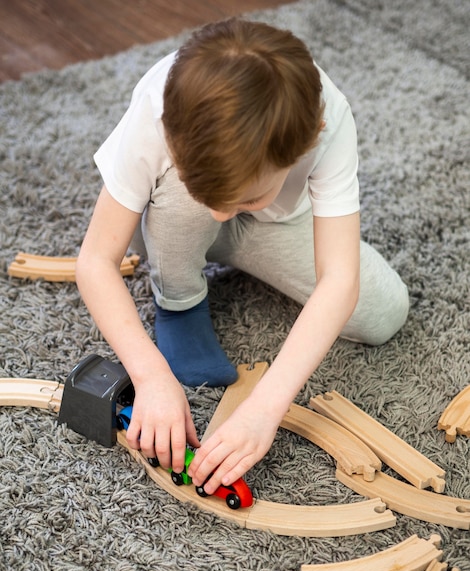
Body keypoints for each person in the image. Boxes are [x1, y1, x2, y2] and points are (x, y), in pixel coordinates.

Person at [76, 18, 409, 496]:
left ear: (305, 143)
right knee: (190, 205)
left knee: (383, 311)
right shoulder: (159, 106)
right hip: (170, 219)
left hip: (277, 223)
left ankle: (231, 216)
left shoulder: (327, 119)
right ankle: (181, 302)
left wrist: (264, 406)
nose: (217, 213)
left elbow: (340, 279)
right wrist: (149, 374)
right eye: (208, 195)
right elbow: (96, 260)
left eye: (244, 198)